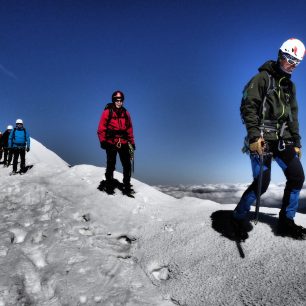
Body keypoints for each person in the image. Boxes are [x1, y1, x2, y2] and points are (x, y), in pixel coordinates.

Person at [233, 38, 305, 240]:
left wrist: (297, 143)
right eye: (290, 59)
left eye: (296, 62)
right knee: (262, 183)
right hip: (262, 138)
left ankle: (286, 221)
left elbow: (293, 116)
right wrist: (254, 136)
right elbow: (248, 106)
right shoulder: (262, 79)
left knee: (297, 177)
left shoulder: (290, 87)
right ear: (281, 55)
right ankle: (238, 218)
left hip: (283, 139)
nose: (292, 65)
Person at [97, 90, 136, 195]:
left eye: (121, 100)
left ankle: (127, 186)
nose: (119, 102)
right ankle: (109, 186)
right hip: (111, 142)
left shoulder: (126, 113)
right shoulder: (107, 112)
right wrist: (103, 141)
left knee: (127, 165)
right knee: (111, 165)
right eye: (117, 100)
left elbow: (129, 129)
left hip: (123, 142)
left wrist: (132, 142)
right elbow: (101, 128)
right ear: (113, 100)